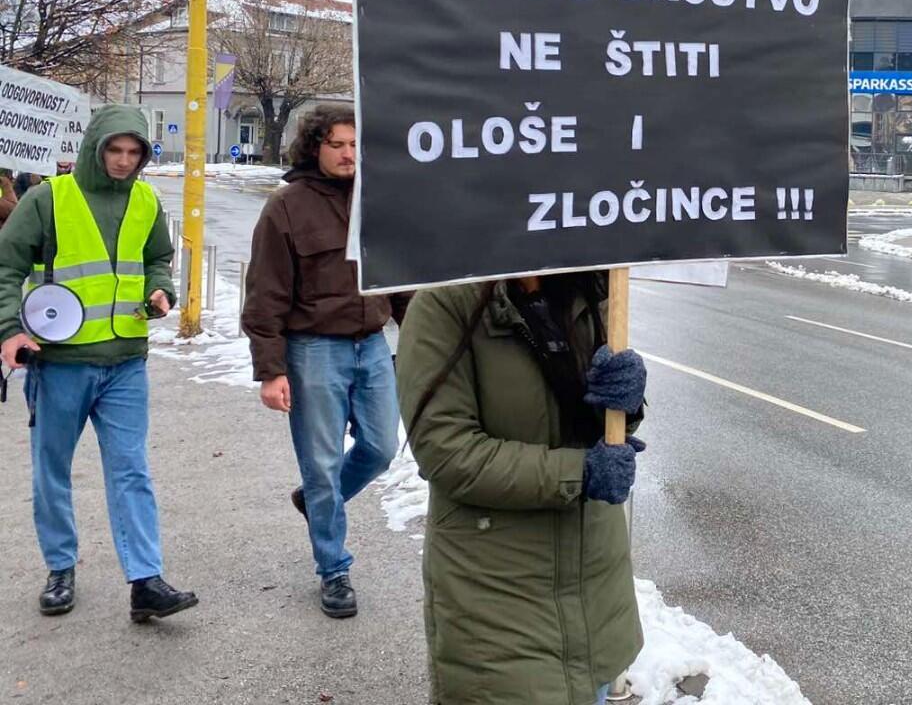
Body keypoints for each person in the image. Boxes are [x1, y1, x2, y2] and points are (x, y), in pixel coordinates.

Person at [397, 271, 647, 705]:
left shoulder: (591, 286)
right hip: (497, 592)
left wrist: (625, 401)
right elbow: (446, 450)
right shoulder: (444, 301)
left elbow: (600, 427)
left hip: (595, 586)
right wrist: (579, 472)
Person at [0, 105, 197, 622]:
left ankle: (145, 581)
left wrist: (161, 290)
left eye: (134, 153)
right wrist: (10, 331)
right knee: (53, 471)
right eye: (115, 150)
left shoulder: (147, 199)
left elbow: (159, 258)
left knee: (131, 469)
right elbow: (6, 265)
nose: (123, 161)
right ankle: (60, 568)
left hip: (126, 359)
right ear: (95, 147)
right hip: (60, 361)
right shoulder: (48, 199)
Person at [241, 103, 408, 618]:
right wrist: (270, 370)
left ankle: (316, 500)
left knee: (380, 448)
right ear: (315, 146)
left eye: (355, 144)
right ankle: (334, 570)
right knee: (321, 463)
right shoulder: (287, 206)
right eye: (337, 143)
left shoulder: (377, 201)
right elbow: (264, 294)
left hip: (372, 344)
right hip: (313, 350)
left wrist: (425, 336)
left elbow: (399, 279)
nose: (348, 153)